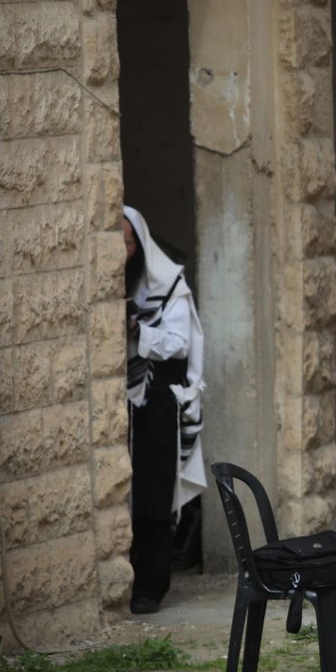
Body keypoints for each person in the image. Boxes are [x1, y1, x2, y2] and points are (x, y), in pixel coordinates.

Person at [123, 206, 205, 615]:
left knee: (153, 493)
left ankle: (150, 584)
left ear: (140, 244)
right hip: (118, 399)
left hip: (154, 399)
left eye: (128, 241)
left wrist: (139, 331)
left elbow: (180, 343)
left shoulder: (167, 283)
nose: (123, 251)